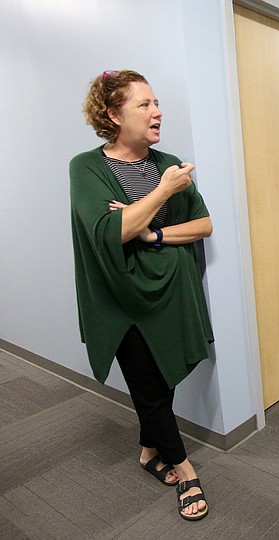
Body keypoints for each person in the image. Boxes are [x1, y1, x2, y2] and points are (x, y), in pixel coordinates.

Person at [69, 70, 214, 521]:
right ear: (113, 115)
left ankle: (149, 449)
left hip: (171, 295)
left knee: (163, 381)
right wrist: (163, 192)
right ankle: (184, 468)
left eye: (157, 103)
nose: (158, 112)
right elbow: (111, 232)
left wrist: (152, 234)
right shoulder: (87, 166)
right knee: (148, 389)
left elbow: (203, 226)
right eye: (145, 104)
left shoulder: (167, 159)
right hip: (121, 300)